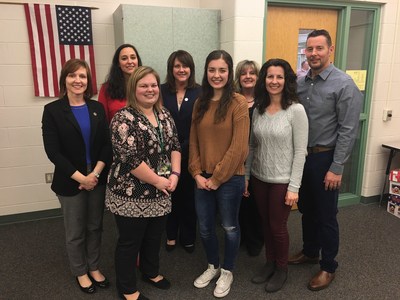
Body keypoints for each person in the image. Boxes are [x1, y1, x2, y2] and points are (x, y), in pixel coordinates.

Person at [288, 29, 363, 291]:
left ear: (330, 50)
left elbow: (348, 130)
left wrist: (337, 167)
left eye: (319, 48)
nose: (314, 54)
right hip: (302, 157)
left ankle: (328, 265)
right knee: (307, 209)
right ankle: (310, 251)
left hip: (325, 158)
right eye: (309, 49)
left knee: (326, 215)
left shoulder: (344, 84)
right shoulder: (300, 83)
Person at [105, 66, 181, 300]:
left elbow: (175, 146)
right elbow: (130, 160)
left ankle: (150, 272)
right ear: (133, 88)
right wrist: (159, 181)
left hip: (161, 190)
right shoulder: (123, 119)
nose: (150, 90)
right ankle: (127, 288)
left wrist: (175, 175)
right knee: (130, 242)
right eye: (144, 86)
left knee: (153, 237)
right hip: (130, 192)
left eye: (153, 85)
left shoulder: (164, 115)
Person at [42, 58, 111, 294]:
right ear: (65, 79)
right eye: (72, 75)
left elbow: (106, 145)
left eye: (82, 76)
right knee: (75, 231)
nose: (78, 80)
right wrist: (82, 178)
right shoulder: (52, 111)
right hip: (71, 183)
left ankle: (93, 266)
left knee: (95, 227)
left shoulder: (97, 108)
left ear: (88, 81)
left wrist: (95, 174)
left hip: (97, 179)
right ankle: (80, 271)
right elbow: (53, 152)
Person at [189, 50, 249, 298]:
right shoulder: (200, 101)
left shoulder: (238, 102)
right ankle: (213, 265)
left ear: (229, 72)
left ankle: (227, 270)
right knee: (204, 228)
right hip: (202, 178)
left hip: (230, 179)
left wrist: (217, 178)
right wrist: (195, 173)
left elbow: (239, 148)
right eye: (212, 70)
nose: (216, 75)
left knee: (229, 226)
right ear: (206, 71)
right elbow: (193, 141)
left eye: (222, 70)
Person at [245, 58, 308, 293]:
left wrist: (294, 187)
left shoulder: (295, 110)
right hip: (260, 177)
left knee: (278, 226)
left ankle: (282, 268)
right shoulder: (259, 109)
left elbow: (301, 151)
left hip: (282, 181)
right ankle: (269, 262)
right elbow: (252, 146)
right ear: (264, 80)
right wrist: (247, 176)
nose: (274, 81)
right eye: (270, 76)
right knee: (265, 223)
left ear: (286, 80)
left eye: (279, 77)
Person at [161, 50, 201, 253]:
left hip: (192, 152)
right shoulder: (161, 91)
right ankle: (170, 233)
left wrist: (186, 146)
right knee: (168, 193)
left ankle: (187, 235)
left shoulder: (200, 92)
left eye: (185, 66)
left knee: (188, 197)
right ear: (171, 69)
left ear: (191, 69)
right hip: (164, 155)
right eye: (177, 66)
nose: (181, 69)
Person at [234, 60, 264, 257]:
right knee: (238, 201)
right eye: (243, 73)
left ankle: (255, 240)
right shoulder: (233, 99)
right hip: (237, 157)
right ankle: (241, 237)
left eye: (252, 73)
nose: (248, 76)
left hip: (259, 158)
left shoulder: (264, 101)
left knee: (254, 201)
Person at [98, 44, 142, 123]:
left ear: (137, 61)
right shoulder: (106, 89)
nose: (129, 61)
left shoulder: (147, 87)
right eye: (124, 58)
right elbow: (102, 121)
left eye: (133, 57)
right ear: (118, 63)